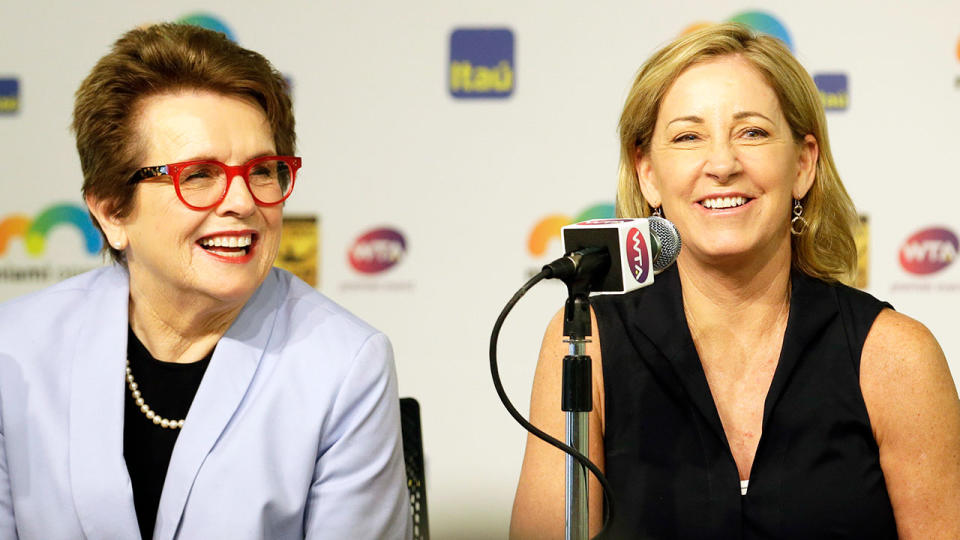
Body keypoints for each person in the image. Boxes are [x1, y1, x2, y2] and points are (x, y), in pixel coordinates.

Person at [511, 23, 960, 539]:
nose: (722, 164)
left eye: (752, 132)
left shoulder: (895, 356)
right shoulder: (584, 342)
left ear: (803, 164)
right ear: (647, 173)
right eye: (687, 137)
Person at [0, 24, 411, 539]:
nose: (242, 202)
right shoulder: (14, 347)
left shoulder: (345, 364)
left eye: (263, 170)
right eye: (198, 175)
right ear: (111, 212)